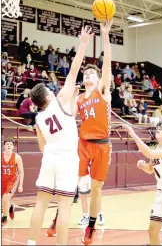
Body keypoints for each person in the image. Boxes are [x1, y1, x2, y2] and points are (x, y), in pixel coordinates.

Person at [27, 25, 94, 246]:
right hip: (67, 158)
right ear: (47, 94)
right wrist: (83, 43)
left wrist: (72, 101)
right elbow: (74, 70)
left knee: (41, 204)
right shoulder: (60, 99)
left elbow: (42, 146)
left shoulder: (38, 118)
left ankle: (30, 243)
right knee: (64, 207)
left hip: (49, 158)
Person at [47, 21, 113, 245]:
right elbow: (67, 115)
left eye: (92, 73)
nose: (89, 75)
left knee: (96, 188)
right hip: (83, 144)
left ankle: (91, 226)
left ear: (98, 79)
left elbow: (107, 66)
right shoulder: (79, 99)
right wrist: (82, 45)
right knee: (69, 181)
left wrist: (104, 35)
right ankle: (58, 217)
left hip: (102, 145)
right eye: (87, 73)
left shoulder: (103, 91)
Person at [122, 121, 162, 245]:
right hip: (161, 194)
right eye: (158, 127)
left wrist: (132, 133)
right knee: (152, 230)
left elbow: (150, 153)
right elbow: (150, 169)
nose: (158, 129)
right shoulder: (157, 149)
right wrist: (143, 166)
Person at [2, 137, 24, 226]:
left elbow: (21, 171)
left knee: (5, 198)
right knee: (4, 200)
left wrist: (20, 185)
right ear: (4, 146)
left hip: (12, 181)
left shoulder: (17, 157)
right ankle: (11, 207)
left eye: (11, 144)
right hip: (2, 180)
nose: (9, 146)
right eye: (7, 144)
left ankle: (4, 217)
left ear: (13, 147)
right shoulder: (1, 156)